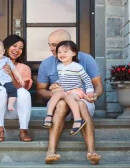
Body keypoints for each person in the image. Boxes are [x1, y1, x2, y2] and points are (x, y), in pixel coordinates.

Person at [37, 29, 103, 164]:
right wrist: (53, 91)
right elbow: (41, 90)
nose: (51, 49)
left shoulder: (86, 59)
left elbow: (98, 85)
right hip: (61, 100)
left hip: (81, 98)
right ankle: (50, 151)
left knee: (81, 104)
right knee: (61, 104)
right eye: (50, 44)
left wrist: (94, 95)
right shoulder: (47, 63)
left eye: (54, 45)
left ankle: (92, 151)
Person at [0, 35, 33, 142]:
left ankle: (23, 130)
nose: (17, 50)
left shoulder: (24, 68)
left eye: (21, 48)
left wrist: (11, 75)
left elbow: (22, 87)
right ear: (5, 48)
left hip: (13, 110)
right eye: (15, 46)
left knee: (23, 92)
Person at [42, 40, 94, 136]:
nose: (62, 54)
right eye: (59, 52)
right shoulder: (60, 66)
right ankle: (48, 116)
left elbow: (87, 79)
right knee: (56, 94)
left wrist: (90, 91)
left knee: (69, 98)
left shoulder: (77, 67)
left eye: (65, 51)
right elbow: (62, 79)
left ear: (73, 53)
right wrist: (56, 84)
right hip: (66, 91)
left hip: (76, 91)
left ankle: (78, 120)